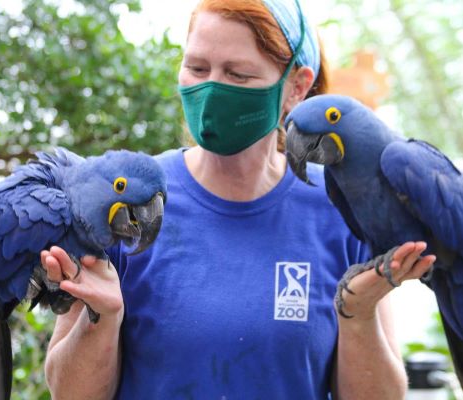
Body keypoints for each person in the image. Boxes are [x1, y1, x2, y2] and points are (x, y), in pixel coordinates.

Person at [41, 0, 436, 398]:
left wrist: (359, 315)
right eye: (197, 68)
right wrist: (100, 320)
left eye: (238, 74)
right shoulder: (124, 200)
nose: (211, 91)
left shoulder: (343, 209)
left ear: (296, 87)